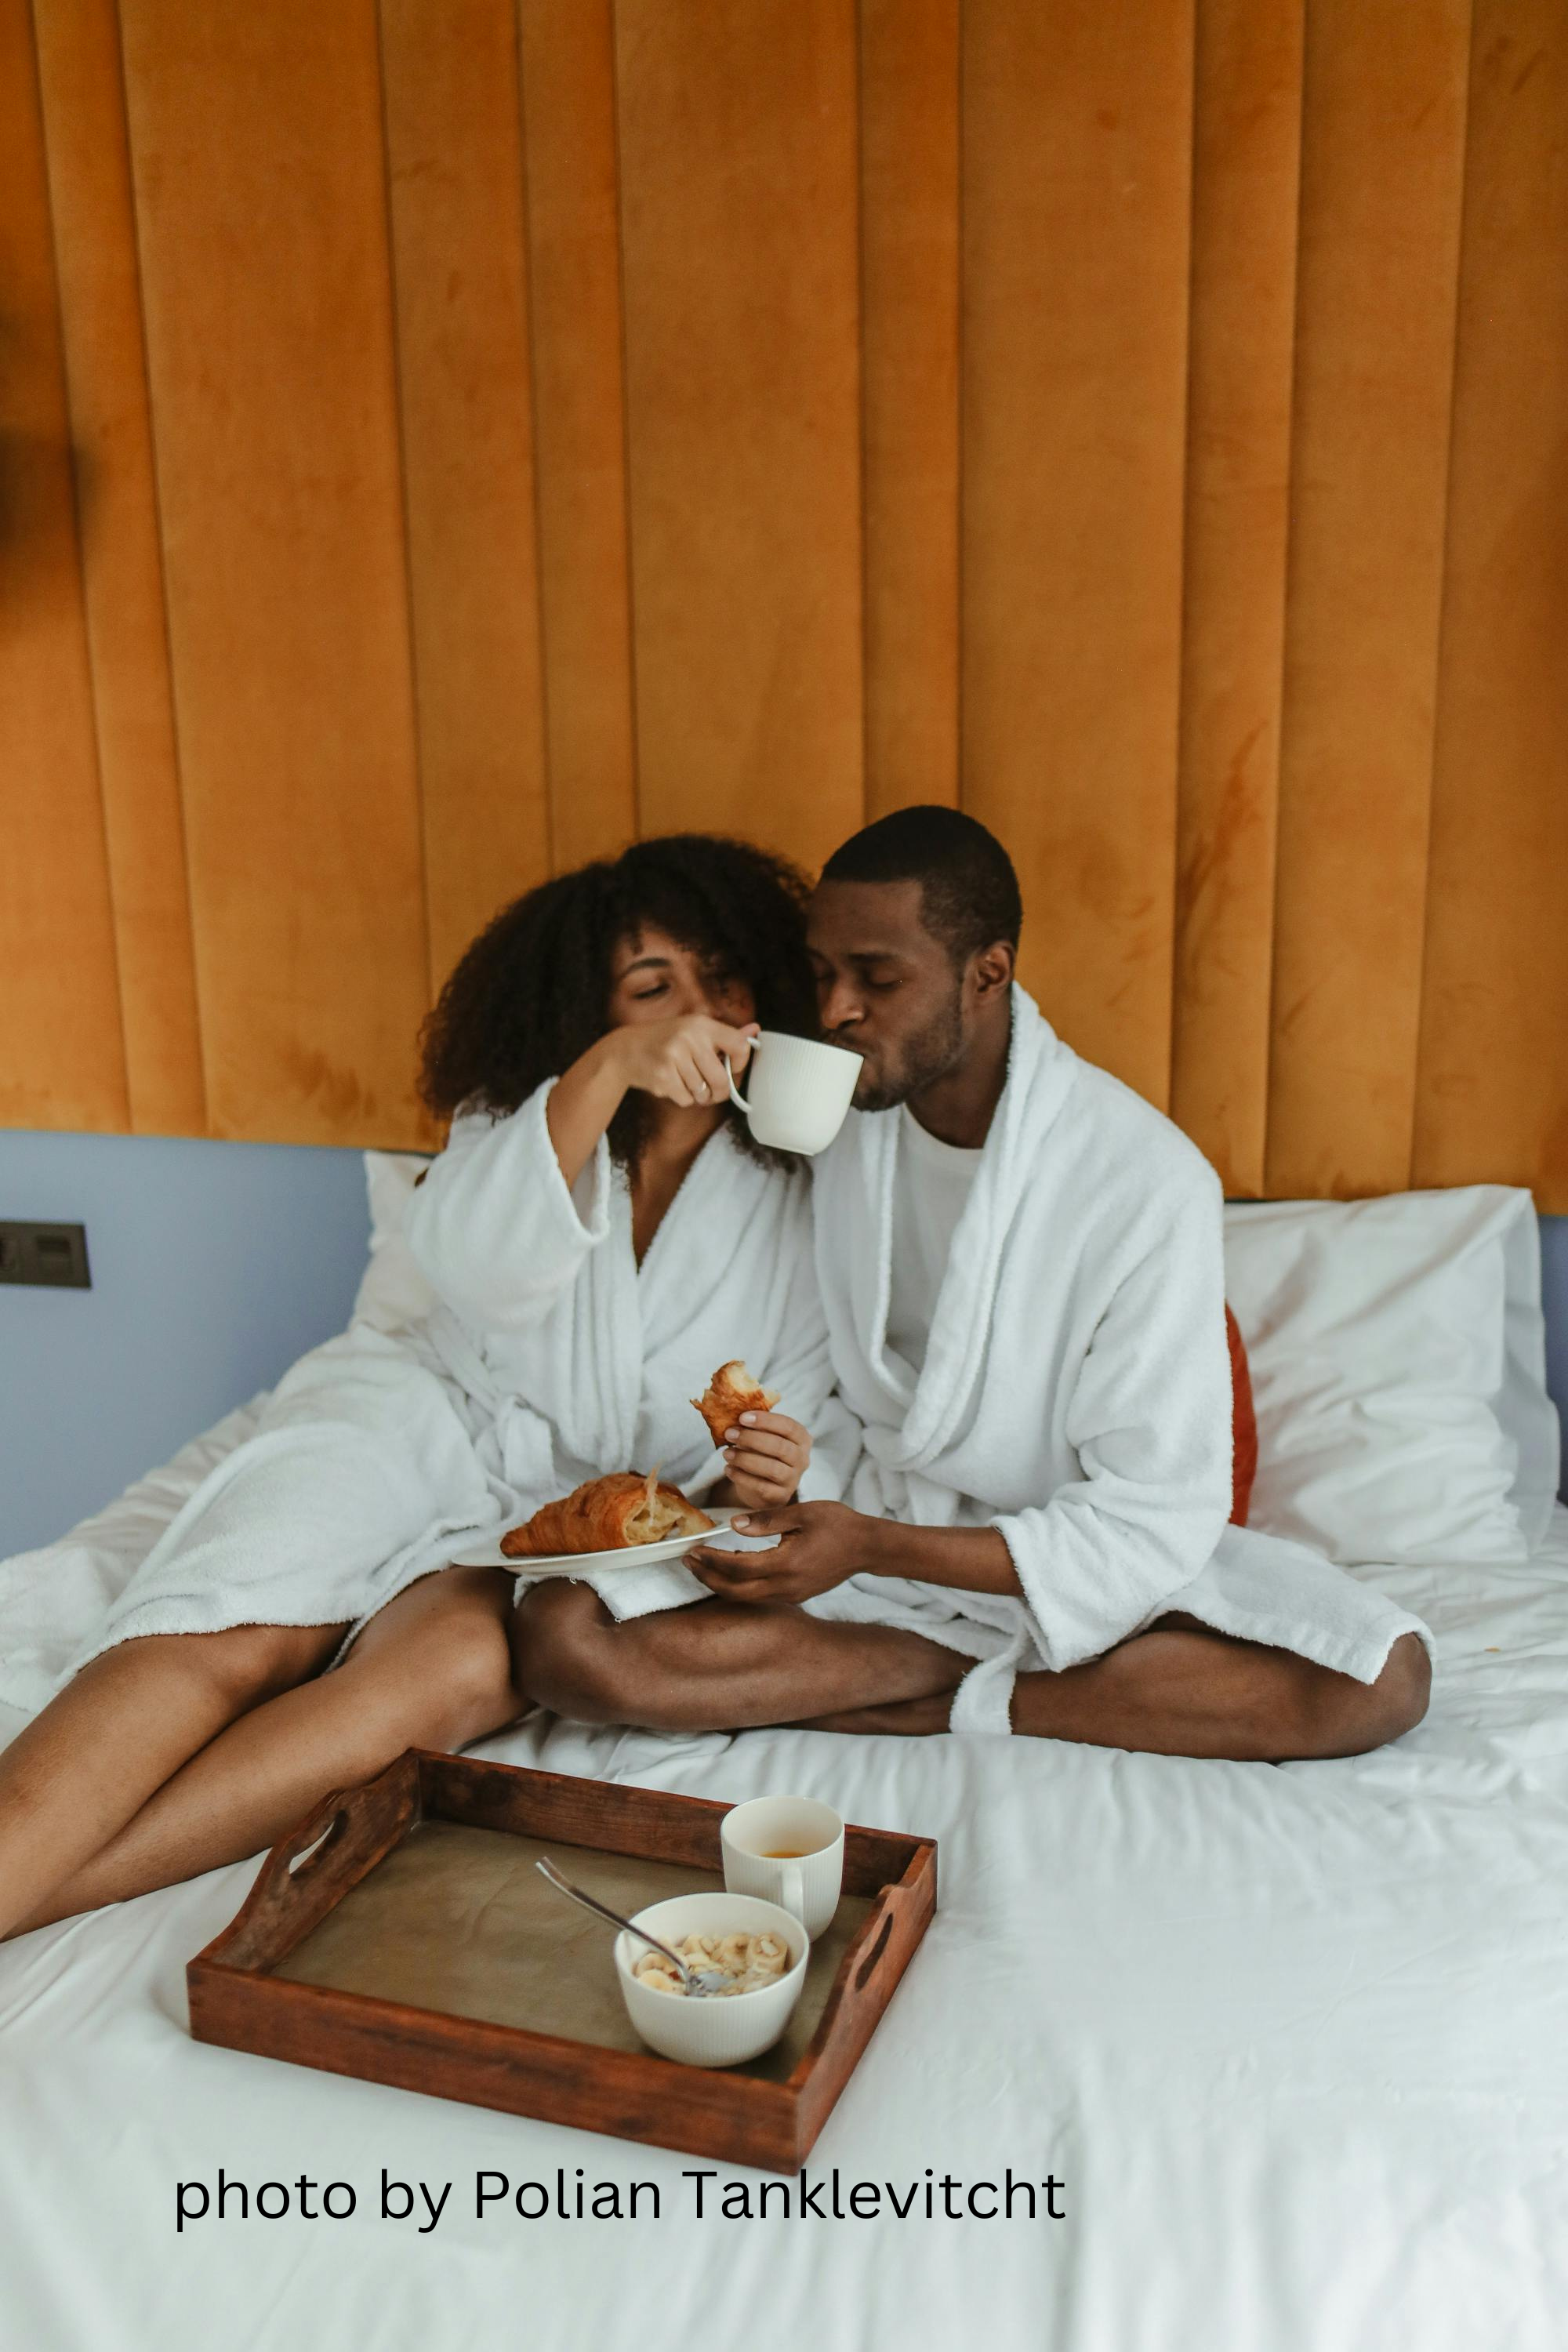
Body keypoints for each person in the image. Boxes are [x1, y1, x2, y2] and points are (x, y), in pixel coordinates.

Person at [0, 834, 866, 1940]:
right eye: (651, 988)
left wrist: (775, 1468)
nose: (698, 1011)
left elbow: (800, 1416)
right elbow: (472, 1272)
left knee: (453, 1673)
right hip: (417, 1418)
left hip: (576, 1517)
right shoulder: (524, 1117)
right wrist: (606, 1075)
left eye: (722, 976)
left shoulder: (806, 1189)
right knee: (239, 1624)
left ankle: (45, 1884)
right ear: (593, 1014)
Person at [515, 808, 1434, 1759]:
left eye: (877, 979)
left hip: (1047, 1564)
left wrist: (871, 1545)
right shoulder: (840, 1124)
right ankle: (969, 1674)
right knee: (559, 1640)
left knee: (1376, 1677)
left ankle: (933, 1684)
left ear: (987, 972)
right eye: (821, 973)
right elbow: (802, 1371)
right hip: (852, 1537)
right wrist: (793, 1481)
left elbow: (1153, 1517)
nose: (832, 1011)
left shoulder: (1141, 1181)